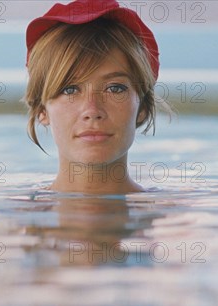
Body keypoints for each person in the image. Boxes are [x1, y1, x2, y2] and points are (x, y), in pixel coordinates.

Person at [24, 0, 168, 194]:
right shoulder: (7, 219)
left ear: (142, 107)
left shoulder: (177, 220)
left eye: (115, 89)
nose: (92, 111)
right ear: (41, 109)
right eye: (69, 90)